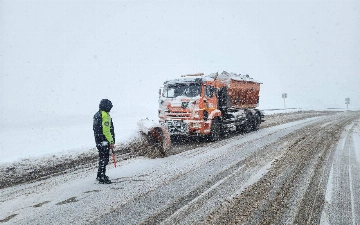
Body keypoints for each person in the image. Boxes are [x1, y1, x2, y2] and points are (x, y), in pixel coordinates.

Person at [93, 99, 115, 184]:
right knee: (104, 159)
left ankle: (100, 174)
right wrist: (111, 141)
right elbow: (106, 131)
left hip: (98, 140)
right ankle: (102, 176)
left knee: (102, 157)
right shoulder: (105, 115)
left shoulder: (97, 114)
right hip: (104, 141)